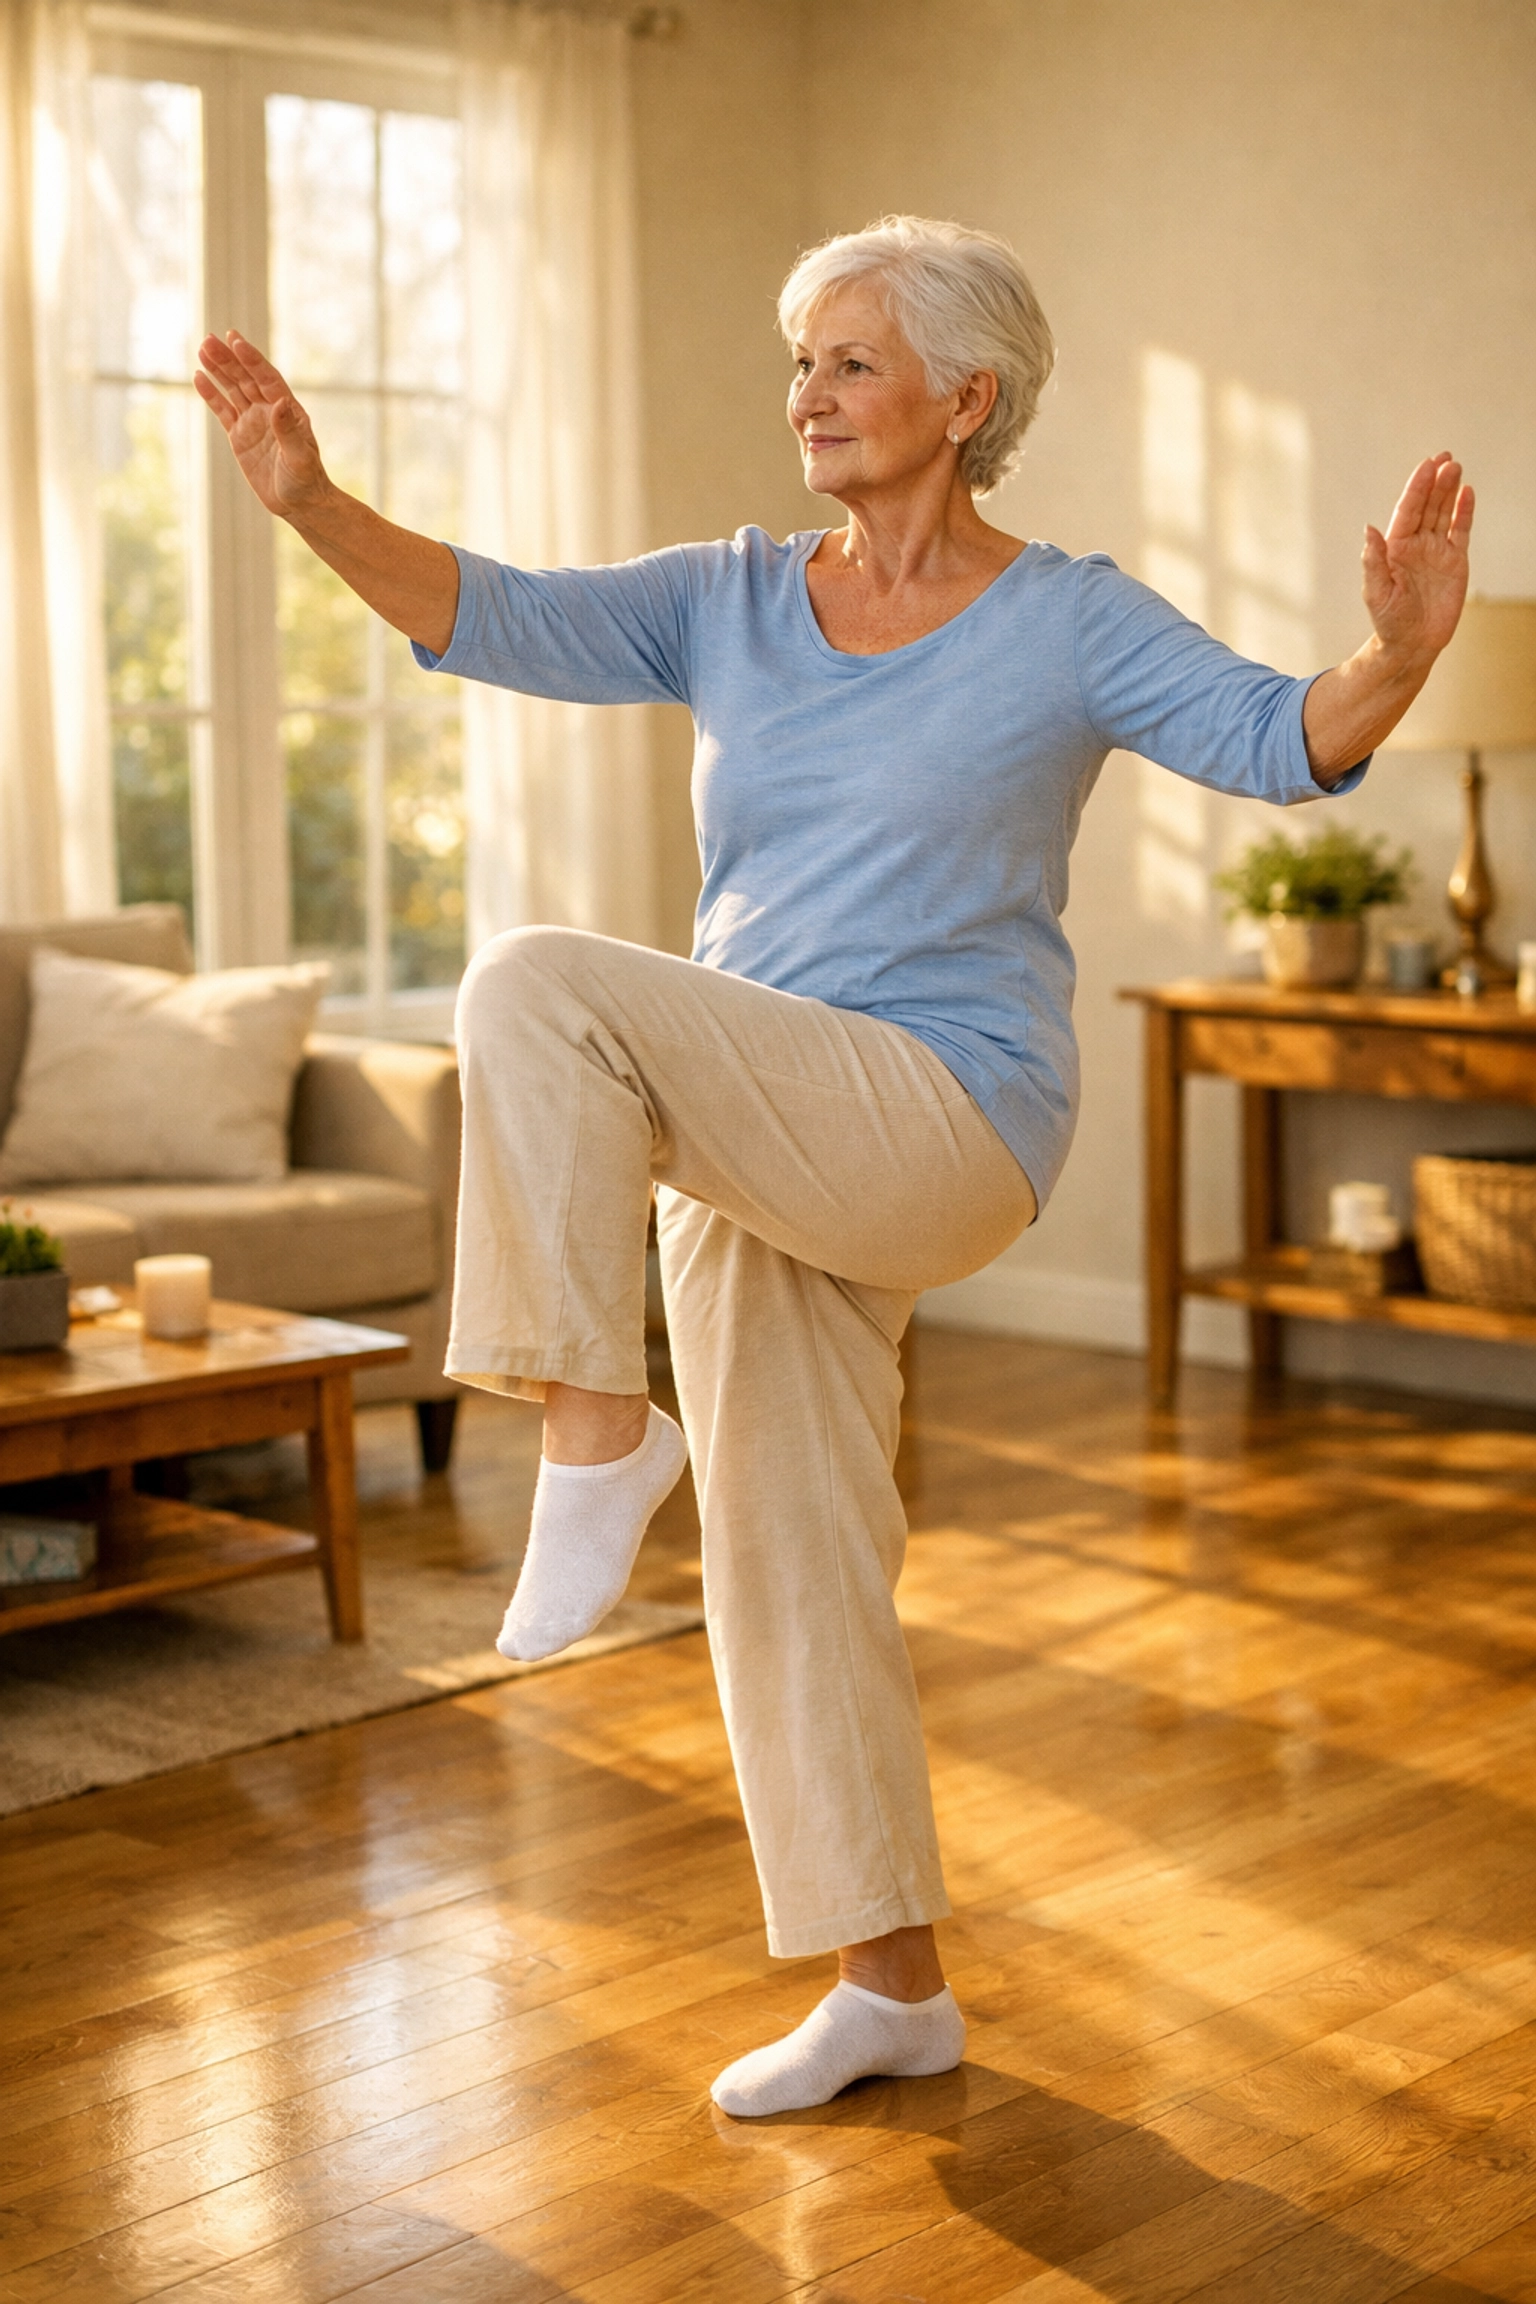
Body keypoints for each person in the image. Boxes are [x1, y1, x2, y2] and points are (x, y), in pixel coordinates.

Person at [196, 214, 1473, 2118]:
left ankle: (591, 1433)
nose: (806, 392)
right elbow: (494, 609)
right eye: (798, 359)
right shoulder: (728, 595)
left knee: (537, 982)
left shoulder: (1069, 616)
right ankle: (892, 1985)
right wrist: (311, 501)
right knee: (796, 1560)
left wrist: (1392, 653)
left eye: (850, 360)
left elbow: (1280, 740)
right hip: (754, 1130)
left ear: (966, 398)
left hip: (946, 1114)